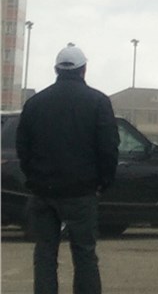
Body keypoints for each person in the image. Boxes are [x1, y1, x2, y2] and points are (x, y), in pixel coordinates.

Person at [16, 44, 119, 294]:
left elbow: (22, 146)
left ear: (56, 70)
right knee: (84, 254)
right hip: (81, 192)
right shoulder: (98, 102)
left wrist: (33, 178)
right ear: (84, 70)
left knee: (44, 253)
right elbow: (108, 147)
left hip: (43, 191)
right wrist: (103, 182)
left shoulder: (35, 103)